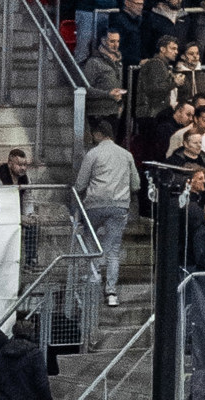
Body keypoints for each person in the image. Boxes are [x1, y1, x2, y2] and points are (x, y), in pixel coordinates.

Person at [75, 120, 135, 307]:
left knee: (90, 243)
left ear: (98, 134)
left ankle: (93, 282)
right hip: (119, 206)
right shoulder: (126, 155)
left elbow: (80, 184)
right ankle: (111, 293)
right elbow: (136, 184)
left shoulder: (93, 154)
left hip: (94, 205)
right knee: (113, 250)